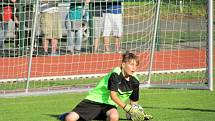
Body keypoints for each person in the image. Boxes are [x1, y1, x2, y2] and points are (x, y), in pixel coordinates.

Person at [59, 52, 151, 121]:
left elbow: (134, 102)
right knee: (70, 118)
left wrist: (138, 113)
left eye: (136, 65)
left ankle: (98, 116)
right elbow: (113, 96)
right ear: (123, 65)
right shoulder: (115, 74)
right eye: (131, 64)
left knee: (114, 116)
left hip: (109, 105)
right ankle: (66, 115)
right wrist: (127, 108)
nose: (134, 68)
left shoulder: (135, 81)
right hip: (94, 101)